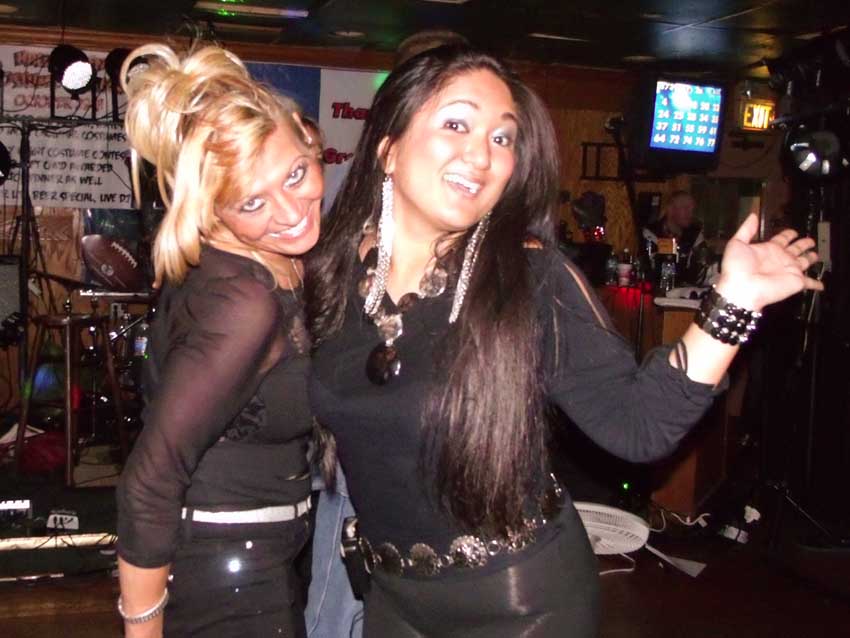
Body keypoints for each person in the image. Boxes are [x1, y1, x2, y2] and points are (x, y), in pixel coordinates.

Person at [305, 46, 822, 637]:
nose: (483, 155)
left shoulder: (527, 279)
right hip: (388, 594)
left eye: (502, 138)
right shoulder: (329, 271)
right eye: (457, 124)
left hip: (520, 602)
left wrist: (733, 304)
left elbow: (638, 424)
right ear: (388, 148)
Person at [115, 44, 322, 637]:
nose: (290, 211)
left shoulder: (278, 258)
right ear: (211, 211)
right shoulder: (242, 302)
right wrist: (142, 629)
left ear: (309, 141)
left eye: (295, 174)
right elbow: (150, 481)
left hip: (263, 555)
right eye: (252, 202)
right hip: (228, 575)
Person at [643, 190, 711, 284]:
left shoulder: (694, 234)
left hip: (686, 289)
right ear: (670, 209)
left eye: (692, 209)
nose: (690, 213)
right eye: (686, 208)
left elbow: (703, 266)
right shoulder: (652, 232)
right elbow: (649, 269)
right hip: (658, 287)